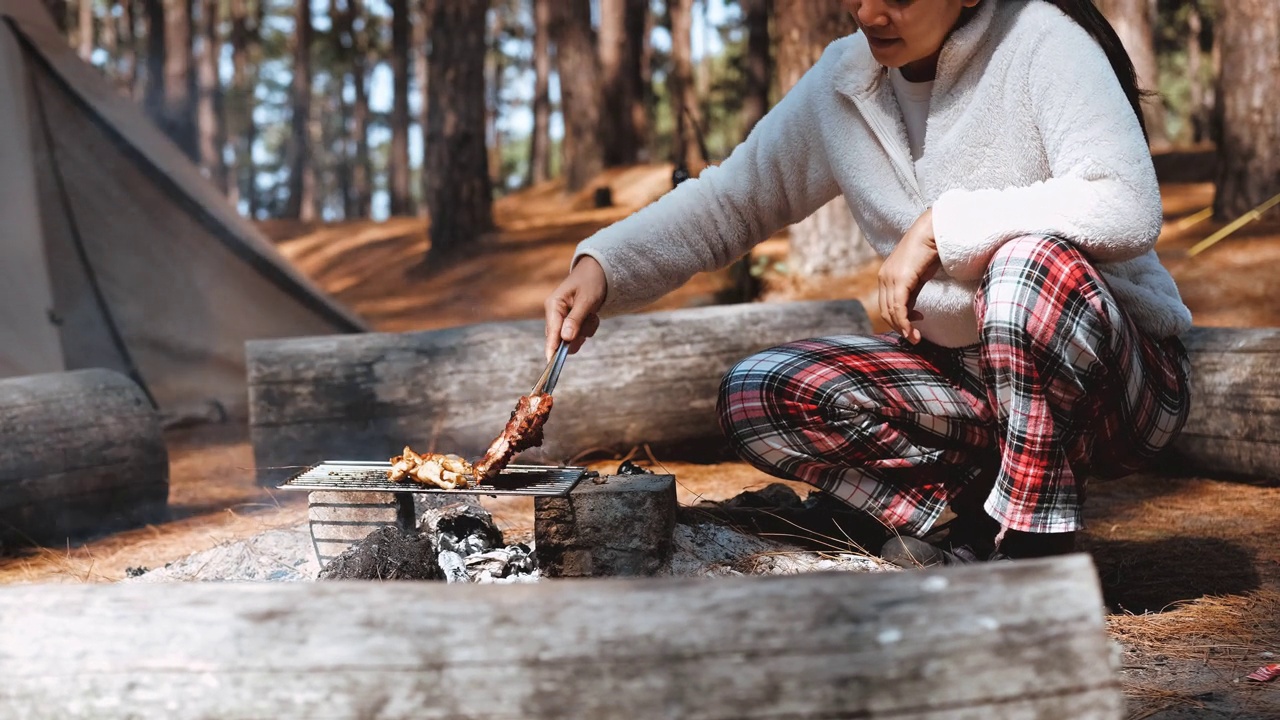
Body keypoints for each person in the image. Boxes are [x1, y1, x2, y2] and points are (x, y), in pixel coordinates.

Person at [542, 0, 1193, 566]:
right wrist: (604, 265)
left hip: (1116, 385)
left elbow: (1127, 201)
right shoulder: (844, 81)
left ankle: (1032, 547)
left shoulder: (1042, 41)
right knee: (758, 393)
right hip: (970, 387)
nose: (868, 12)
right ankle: (954, 520)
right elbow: (732, 201)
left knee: (1024, 266)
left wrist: (944, 226)